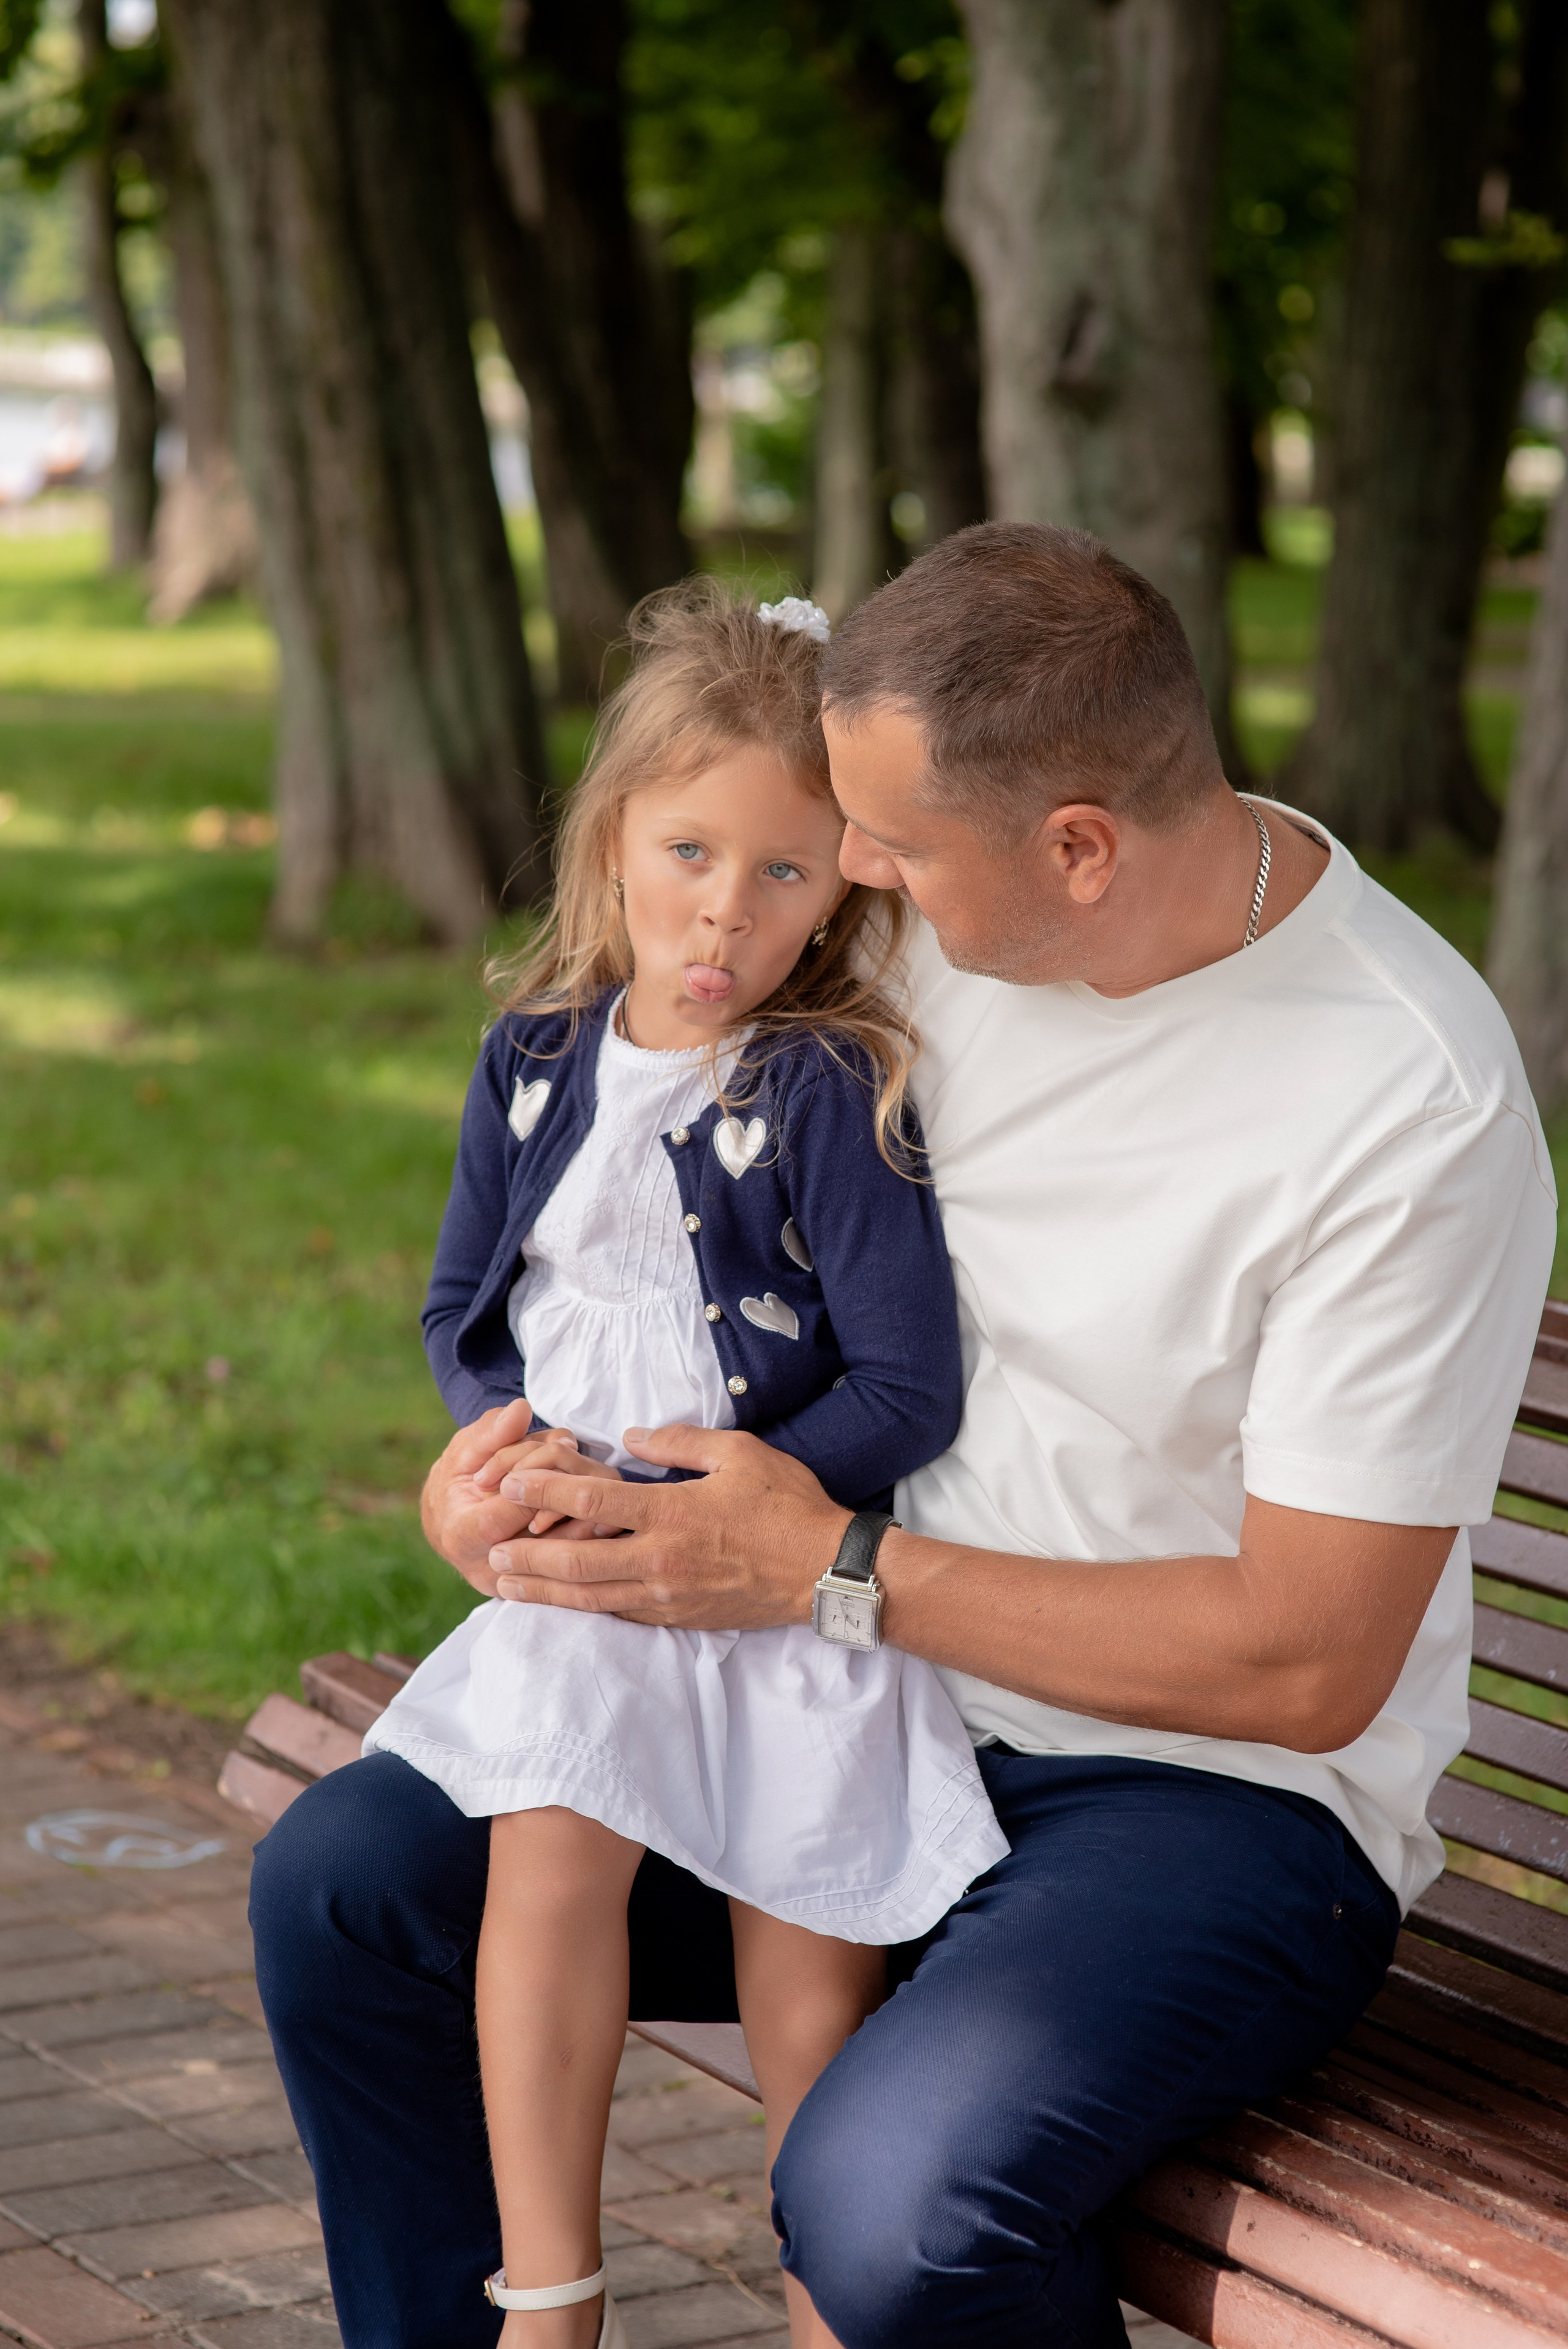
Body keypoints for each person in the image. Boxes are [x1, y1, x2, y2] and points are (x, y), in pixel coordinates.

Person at [252, 524, 1556, 2349]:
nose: (851, 873)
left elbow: (1311, 1659)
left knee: (899, 2209)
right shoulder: (917, 923)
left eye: (893, 845)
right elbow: (628, 1194)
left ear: (1079, 847)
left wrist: (829, 1569)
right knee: (347, 1892)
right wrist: (503, 1480)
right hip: (841, 1697)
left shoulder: (1401, 1097)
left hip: (1198, 1801)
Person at [357, 581, 1005, 2349]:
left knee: (809, 1979)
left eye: (784, 870)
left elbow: (907, 1386)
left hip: (783, 1588)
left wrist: (735, 1507)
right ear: (614, 839)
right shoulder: (532, 1060)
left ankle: (822, 2309)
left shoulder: (830, 1086)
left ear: (844, 887)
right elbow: (465, 1306)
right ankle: (550, 2299)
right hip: (588, 1581)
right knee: (547, 1870)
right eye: (691, 851)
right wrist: (498, 1452)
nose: (727, 908)